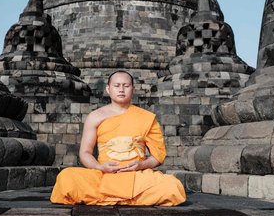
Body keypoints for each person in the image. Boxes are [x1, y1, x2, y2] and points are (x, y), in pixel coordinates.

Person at [50, 70, 186, 206]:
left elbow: (158, 156)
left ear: (133, 89)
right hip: (104, 175)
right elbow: (85, 153)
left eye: (126, 86)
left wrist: (142, 165)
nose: (121, 89)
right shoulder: (95, 116)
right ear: (108, 89)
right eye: (117, 86)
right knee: (66, 178)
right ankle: (130, 199)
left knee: (172, 186)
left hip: (136, 177)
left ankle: (111, 198)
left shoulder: (146, 117)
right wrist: (99, 166)